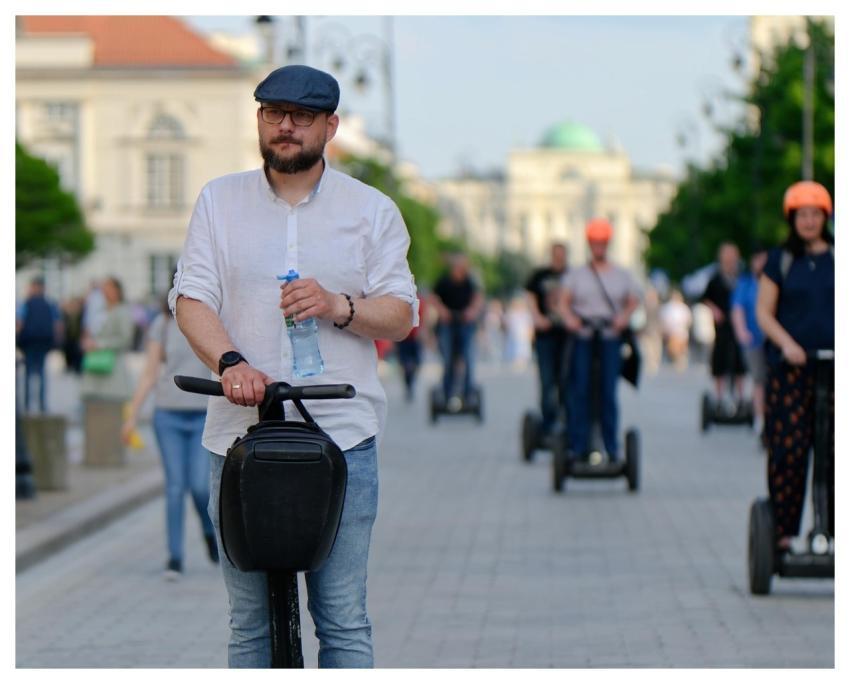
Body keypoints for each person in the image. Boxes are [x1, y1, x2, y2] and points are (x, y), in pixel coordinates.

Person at [169, 64, 417, 668]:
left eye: (302, 116)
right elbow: (191, 297)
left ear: (330, 126)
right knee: (249, 625)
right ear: (259, 119)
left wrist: (338, 305)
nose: (285, 126)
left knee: (342, 618)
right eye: (273, 113)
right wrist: (230, 363)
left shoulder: (372, 209)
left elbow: (401, 314)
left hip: (342, 437)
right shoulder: (219, 200)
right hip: (238, 437)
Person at [756, 181, 834, 553]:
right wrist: (787, 344)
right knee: (789, 450)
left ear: (825, 217)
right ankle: (783, 533)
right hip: (791, 370)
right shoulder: (781, 261)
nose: (808, 221)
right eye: (802, 215)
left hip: (834, 368)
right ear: (792, 219)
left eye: (815, 214)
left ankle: (831, 531)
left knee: (835, 452)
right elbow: (763, 312)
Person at [121, 295, 219, 580]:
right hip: (167, 415)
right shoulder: (162, 324)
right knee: (175, 487)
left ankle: (209, 532)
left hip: (203, 415)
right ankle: (174, 557)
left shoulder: (212, 319)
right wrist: (132, 415)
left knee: (200, 487)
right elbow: (149, 373)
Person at [559, 219, 640, 462]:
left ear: (607, 244)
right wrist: (570, 319)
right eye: (594, 243)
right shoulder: (577, 275)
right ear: (589, 244)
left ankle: (611, 447)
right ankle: (578, 445)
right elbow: (563, 302)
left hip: (609, 337)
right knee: (580, 390)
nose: (598, 247)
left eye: (602, 243)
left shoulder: (621, 274)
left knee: (608, 392)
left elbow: (634, 300)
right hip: (583, 337)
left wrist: (623, 317)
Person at [525, 242, 570, 441]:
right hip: (546, 337)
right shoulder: (540, 275)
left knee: (568, 381)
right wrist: (538, 318)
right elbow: (530, 297)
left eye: (562, 254)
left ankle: (568, 421)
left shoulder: (572, 275)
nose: (559, 258)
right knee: (547, 381)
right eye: (556, 254)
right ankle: (548, 424)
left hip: (568, 337)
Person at [431, 253, 484, 405]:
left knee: (467, 357)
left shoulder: (470, 281)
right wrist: (442, 311)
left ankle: (468, 393)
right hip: (448, 323)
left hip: (465, 323)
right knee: (448, 358)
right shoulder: (444, 281)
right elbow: (433, 298)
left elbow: (478, 298)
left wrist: (472, 311)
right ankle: (447, 392)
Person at [702, 243, 746, 412]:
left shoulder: (741, 278)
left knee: (739, 363)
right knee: (720, 361)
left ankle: (740, 398)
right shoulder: (715, 279)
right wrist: (714, 310)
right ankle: (719, 398)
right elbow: (705, 297)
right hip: (722, 327)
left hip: (739, 327)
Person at [731, 245, 769, 441]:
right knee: (759, 380)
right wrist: (742, 331)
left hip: (774, 340)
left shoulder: (773, 281)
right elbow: (737, 309)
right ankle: (759, 418)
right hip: (754, 339)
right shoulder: (746, 284)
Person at [79, 276, 135, 402]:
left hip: (113, 368)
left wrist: (100, 344)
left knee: (111, 404)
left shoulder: (122, 311)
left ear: (117, 290)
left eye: (109, 287)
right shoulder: (100, 310)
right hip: (95, 366)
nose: (105, 291)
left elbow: (126, 339)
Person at [16, 276, 63, 413]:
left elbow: (19, 322)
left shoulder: (27, 303)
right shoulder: (50, 304)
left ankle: (27, 405)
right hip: (44, 341)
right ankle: (42, 405)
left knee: (28, 373)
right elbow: (57, 324)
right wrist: (58, 341)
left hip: (29, 341)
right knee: (42, 372)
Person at [395, 296, 425, 401]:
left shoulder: (420, 301)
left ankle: (411, 383)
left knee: (416, 363)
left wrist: (423, 332)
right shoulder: (401, 298)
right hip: (403, 337)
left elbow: (423, 318)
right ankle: (408, 385)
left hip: (415, 338)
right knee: (405, 364)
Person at [659, 289, 692, 372]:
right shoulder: (669, 307)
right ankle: (677, 361)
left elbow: (688, 320)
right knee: (674, 349)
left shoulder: (682, 308)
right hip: (674, 332)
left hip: (680, 332)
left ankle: (679, 361)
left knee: (679, 349)